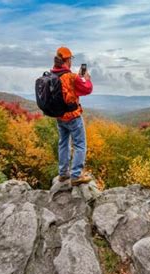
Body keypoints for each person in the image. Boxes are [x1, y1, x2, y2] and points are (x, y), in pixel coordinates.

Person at [51, 47, 93, 186]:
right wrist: (86, 79)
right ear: (68, 59)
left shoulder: (52, 75)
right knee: (80, 144)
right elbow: (86, 89)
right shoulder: (71, 77)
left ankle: (63, 174)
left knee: (63, 142)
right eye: (71, 59)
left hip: (59, 116)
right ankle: (76, 175)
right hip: (73, 116)